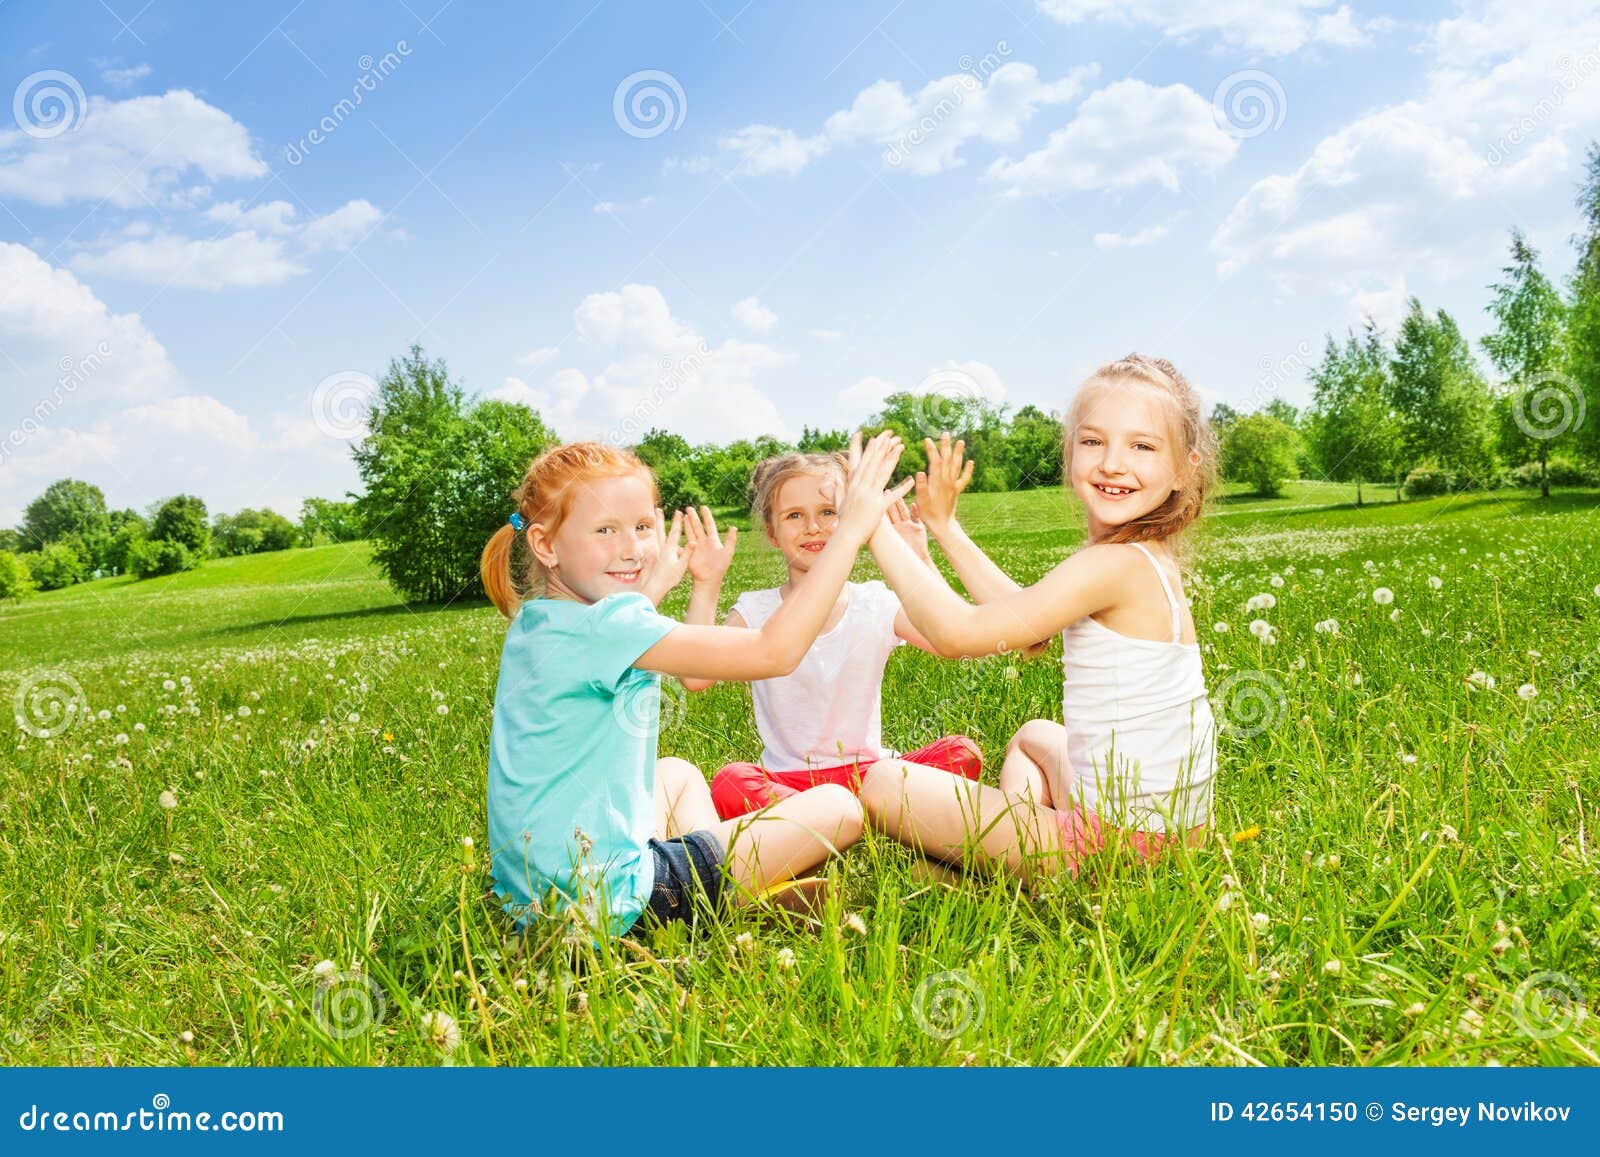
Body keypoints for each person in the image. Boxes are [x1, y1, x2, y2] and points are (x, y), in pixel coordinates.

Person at [479, 432, 912, 938]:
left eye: (642, 526)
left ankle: (728, 888)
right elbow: (774, 652)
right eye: (605, 529)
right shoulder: (610, 627)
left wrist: (664, 584)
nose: (633, 548)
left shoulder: (541, 621)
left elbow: (628, 625)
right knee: (839, 808)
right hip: (610, 906)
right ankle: (727, 900)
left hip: (535, 895)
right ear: (546, 545)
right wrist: (848, 531)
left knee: (678, 774)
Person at [859, 354, 1218, 880]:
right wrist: (944, 528)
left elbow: (957, 635)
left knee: (884, 783)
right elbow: (1030, 632)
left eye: (1142, 446)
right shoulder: (1145, 556)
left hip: (1117, 848)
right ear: (1071, 451)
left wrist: (871, 527)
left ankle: (1014, 873)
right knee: (1035, 735)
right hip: (1174, 835)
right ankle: (1020, 856)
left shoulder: (1113, 564)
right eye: (1093, 441)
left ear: (1185, 469)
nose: (1113, 463)